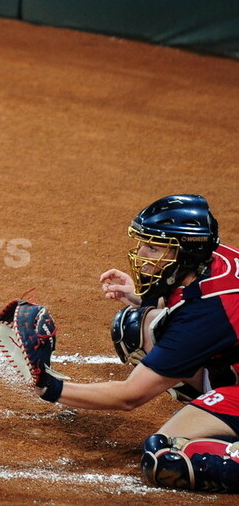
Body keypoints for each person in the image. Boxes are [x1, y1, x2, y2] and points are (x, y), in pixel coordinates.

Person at [36, 194, 239, 492]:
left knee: (167, 456)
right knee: (137, 326)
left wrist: (49, 386)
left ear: (186, 253)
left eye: (154, 247)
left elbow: (129, 396)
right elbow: (185, 302)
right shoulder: (215, 258)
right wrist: (140, 295)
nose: (142, 253)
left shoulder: (210, 311)